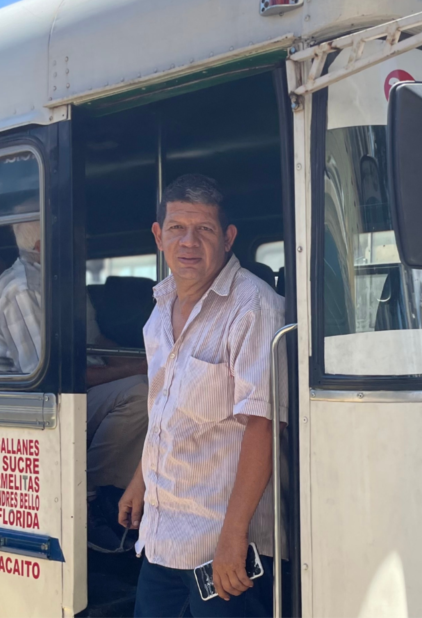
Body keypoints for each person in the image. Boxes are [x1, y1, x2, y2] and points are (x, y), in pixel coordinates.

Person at [118, 174, 286, 618]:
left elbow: (263, 425)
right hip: (162, 537)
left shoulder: (253, 307)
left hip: (223, 549)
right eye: (176, 228)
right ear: (159, 236)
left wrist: (233, 538)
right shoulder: (160, 309)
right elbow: (164, 411)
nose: (188, 241)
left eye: (205, 229)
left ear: (228, 238)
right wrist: (140, 479)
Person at [0, 220, 150, 551]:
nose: (83, 237)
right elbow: (56, 378)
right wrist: (139, 368)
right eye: (73, 232)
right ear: (43, 244)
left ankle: (113, 495)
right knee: (139, 393)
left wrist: (148, 359)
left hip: (77, 394)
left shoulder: (62, 281)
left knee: (149, 387)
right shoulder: (22, 289)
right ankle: (88, 500)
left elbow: (96, 340)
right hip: (35, 411)